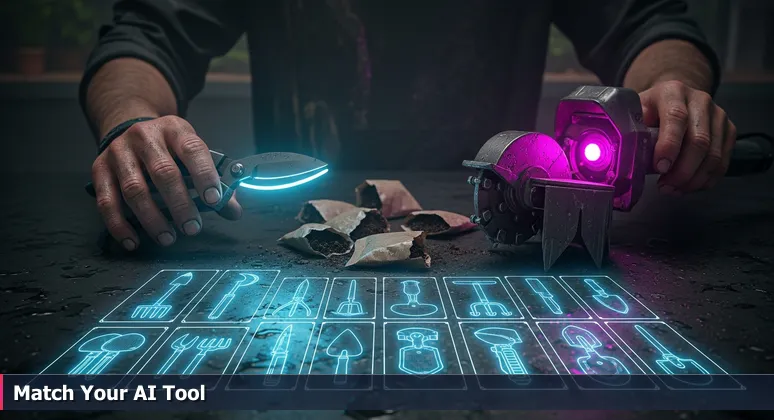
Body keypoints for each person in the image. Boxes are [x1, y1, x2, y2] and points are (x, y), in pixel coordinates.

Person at [82, 0, 734, 251]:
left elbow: (650, 22)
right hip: (285, 227)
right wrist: (133, 122)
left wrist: (671, 93)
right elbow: (146, 35)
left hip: (494, 230)